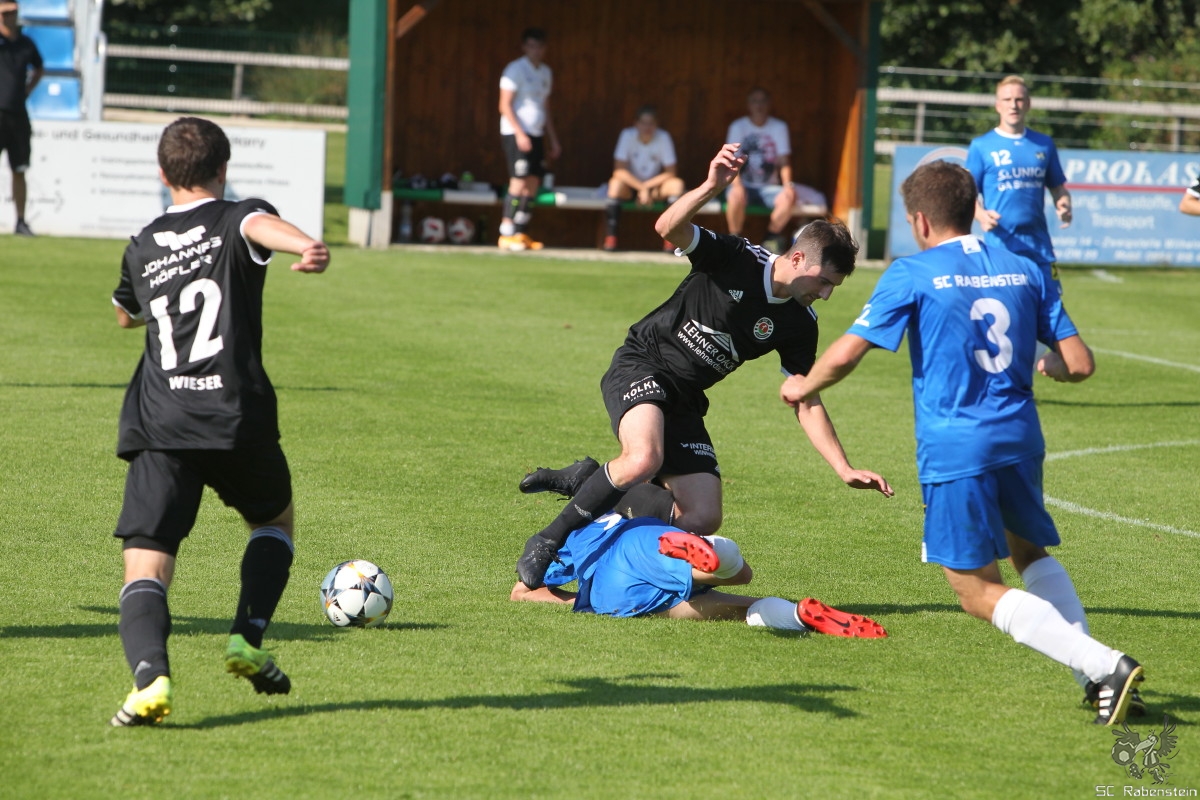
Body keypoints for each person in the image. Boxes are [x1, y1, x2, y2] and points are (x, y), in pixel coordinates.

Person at [778, 159, 1144, 726]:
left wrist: (803, 385)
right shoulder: (1025, 267)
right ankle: (1097, 678)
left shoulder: (913, 272)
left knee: (975, 590)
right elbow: (1079, 363)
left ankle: (1106, 665)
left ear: (920, 221)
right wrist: (1051, 366)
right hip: (1021, 437)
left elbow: (849, 352)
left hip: (957, 447)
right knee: (1029, 554)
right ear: (973, 208)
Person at [514, 143, 892, 590]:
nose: (825, 294)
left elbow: (805, 398)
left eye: (833, 288)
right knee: (643, 458)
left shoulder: (800, 324)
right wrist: (712, 186)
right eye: (824, 281)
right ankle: (548, 540)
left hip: (687, 398)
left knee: (702, 516)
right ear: (797, 259)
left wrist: (843, 468)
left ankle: (591, 480)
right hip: (643, 363)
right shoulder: (735, 256)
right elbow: (667, 227)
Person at [108, 117, 330, 727]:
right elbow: (261, 226)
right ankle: (247, 638)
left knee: (146, 561)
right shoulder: (237, 217)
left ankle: (150, 681)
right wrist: (306, 245)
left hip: (162, 422)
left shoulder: (144, 243)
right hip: (235, 417)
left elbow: (125, 313)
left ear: (162, 173)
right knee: (273, 522)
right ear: (223, 169)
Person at [511, 512, 886, 638]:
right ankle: (716, 553)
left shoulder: (568, 534)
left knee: (737, 611)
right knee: (739, 575)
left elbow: (522, 591)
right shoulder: (623, 512)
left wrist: (582, 601)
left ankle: (797, 617)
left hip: (614, 594)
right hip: (644, 540)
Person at [967, 75, 1072, 295]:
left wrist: (1064, 203)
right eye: (1007, 100)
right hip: (1000, 245)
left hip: (1039, 246)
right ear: (998, 105)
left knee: (1052, 306)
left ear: (1028, 104)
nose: (1013, 105)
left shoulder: (1044, 144)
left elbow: (1058, 187)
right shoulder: (981, 146)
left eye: (1019, 99)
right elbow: (968, 194)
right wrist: (981, 215)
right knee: (1008, 307)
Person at [497, 26, 560, 252]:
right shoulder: (515, 69)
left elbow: (545, 108)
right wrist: (520, 133)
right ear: (524, 47)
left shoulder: (545, 72)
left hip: (537, 134)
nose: (536, 50)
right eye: (531, 46)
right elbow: (504, 105)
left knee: (533, 183)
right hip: (516, 133)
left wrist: (553, 139)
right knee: (518, 181)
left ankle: (520, 232)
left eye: (539, 46)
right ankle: (505, 233)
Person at [724, 87, 804, 253]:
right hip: (743, 184)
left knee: (789, 196)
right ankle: (735, 239)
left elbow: (784, 161)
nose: (759, 106)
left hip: (769, 187)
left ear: (769, 104)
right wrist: (737, 185)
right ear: (748, 105)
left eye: (762, 101)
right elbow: (731, 160)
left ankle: (770, 238)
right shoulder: (737, 126)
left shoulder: (779, 127)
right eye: (755, 101)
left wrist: (788, 186)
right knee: (735, 195)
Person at [602, 105, 685, 252]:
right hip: (630, 188)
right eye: (643, 123)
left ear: (656, 125)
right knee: (614, 185)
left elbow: (671, 172)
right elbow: (619, 171)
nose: (647, 127)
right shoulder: (627, 135)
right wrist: (641, 188)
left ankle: (670, 239)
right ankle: (611, 238)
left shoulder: (663, 137)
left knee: (677, 185)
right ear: (636, 124)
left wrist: (646, 187)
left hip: (655, 189)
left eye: (651, 123)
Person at [0, 0, 42, 237]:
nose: (9, 17)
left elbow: (39, 68)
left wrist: (27, 90)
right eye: (4, 13)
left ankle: (21, 220)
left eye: (12, 12)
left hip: (18, 115)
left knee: (20, 169)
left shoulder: (26, 44)